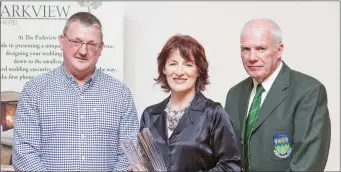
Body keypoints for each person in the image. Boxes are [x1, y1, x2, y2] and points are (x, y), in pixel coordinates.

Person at [12, 12, 139, 171]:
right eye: (76, 42)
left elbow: (130, 154)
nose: (83, 51)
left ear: (101, 49)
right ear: (62, 41)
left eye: (92, 44)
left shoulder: (121, 94)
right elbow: (24, 151)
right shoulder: (35, 90)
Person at [224, 18, 331, 172]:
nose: (252, 57)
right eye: (245, 49)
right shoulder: (234, 94)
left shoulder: (309, 92)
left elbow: (307, 165)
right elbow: (228, 156)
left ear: (279, 50)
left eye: (261, 48)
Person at [139, 34, 241, 171]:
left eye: (188, 64)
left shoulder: (213, 114)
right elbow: (144, 163)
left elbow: (231, 166)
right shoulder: (149, 116)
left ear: (199, 70)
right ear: (164, 68)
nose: (179, 72)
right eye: (173, 64)